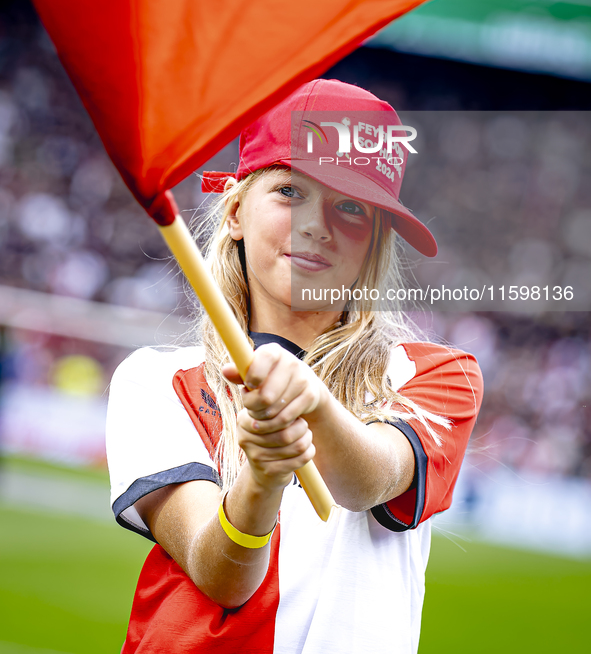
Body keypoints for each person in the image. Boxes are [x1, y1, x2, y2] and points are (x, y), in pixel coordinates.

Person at [106, 79, 483, 654]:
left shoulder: (438, 375)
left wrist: (312, 406)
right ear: (234, 210)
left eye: (351, 207)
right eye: (289, 192)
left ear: (376, 242)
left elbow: (370, 480)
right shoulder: (156, 381)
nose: (317, 225)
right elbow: (222, 574)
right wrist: (263, 474)